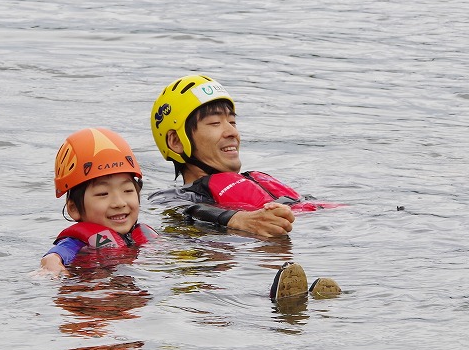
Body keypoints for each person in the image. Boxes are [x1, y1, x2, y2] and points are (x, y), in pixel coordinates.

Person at [147, 72, 341, 300]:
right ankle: (271, 296)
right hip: (228, 260)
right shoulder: (177, 197)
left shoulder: (260, 181)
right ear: (177, 141)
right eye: (215, 123)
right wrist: (240, 220)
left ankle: (300, 291)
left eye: (232, 121)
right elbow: (186, 211)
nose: (231, 132)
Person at [39, 127, 159, 276]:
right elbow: (54, 256)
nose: (119, 203)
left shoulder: (143, 235)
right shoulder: (76, 244)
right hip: (92, 296)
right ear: (74, 208)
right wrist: (51, 266)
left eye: (127, 191)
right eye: (103, 194)